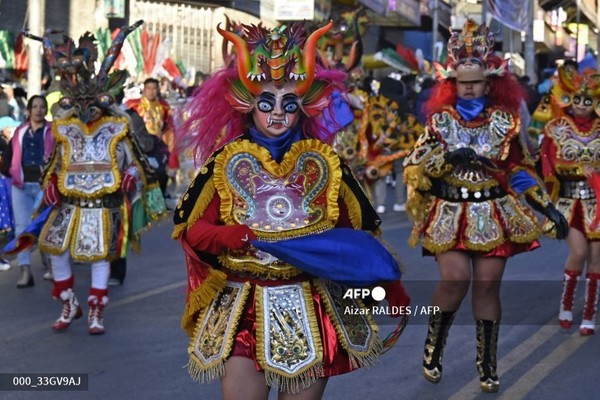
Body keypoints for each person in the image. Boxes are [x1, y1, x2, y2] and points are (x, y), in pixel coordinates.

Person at [172, 21, 409, 399]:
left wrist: (380, 283)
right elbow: (191, 229)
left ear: (305, 107)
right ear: (248, 106)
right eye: (267, 103)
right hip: (242, 306)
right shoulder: (226, 161)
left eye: (290, 103)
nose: (278, 113)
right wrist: (228, 235)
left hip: (308, 304)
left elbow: (357, 238)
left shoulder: (326, 162)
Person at [403, 20, 568, 393]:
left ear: (490, 82)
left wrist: (548, 209)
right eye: (463, 83)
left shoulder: (505, 122)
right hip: (449, 211)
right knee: (455, 279)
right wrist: (447, 160)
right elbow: (414, 167)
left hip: (494, 211)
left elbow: (520, 171)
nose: (471, 88)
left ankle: (487, 365)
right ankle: (433, 348)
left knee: (488, 286)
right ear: (452, 84)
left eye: (476, 82)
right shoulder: (439, 122)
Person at [22, 21, 145, 335]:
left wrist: (131, 177)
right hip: (69, 201)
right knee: (54, 250)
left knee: (99, 255)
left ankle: (95, 312)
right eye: (78, 104)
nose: (85, 110)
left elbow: (134, 164)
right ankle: (68, 302)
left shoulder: (117, 124)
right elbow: (56, 163)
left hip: (103, 203)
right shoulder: (64, 127)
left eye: (90, 103)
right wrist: (50, 183)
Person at [540, 66, 600, 336]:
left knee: (596, 257)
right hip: (569, 200)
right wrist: (576, 170)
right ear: (569, 99)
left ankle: (589, 314)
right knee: (578, 253)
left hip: (597, 200)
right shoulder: (557, 128)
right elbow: (549, 164)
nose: (583, 106)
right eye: (578, 100)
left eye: (589, 101)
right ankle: (566, 305)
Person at [0, 96, 54, 287]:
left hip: (43, 186)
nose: (38, 110)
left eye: (42, 107)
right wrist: (11, 173)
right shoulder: (20, 131)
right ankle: (25, 271)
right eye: (35, 107)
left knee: (44, 226)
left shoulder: (52, 131)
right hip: (21, 186)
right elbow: (9, 155)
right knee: (21, 229)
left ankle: (50, 265)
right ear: (28, 111)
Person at [126, 77, 174, 199]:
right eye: (148, 88)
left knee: (161, 172)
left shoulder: (164, 106)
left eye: (154, 88)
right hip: (139, 144)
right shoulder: (133, 105)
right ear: (144, 89)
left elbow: (168, 125)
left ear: (158, 90)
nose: (151, 91)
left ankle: (161, 195)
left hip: (157, 145)